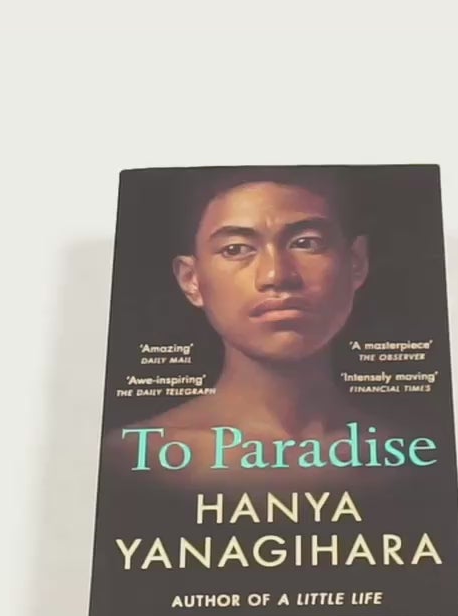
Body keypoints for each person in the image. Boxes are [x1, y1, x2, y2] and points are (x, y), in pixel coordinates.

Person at [107, 170, 398, 488]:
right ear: (191, 280)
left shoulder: (405, 456)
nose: (276, 276)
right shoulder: (132, 458)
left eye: (306, 243)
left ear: (356, 263)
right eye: (235, 249)